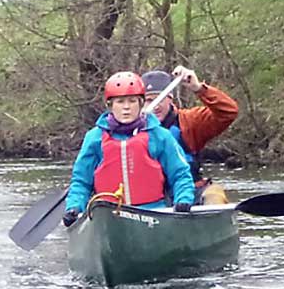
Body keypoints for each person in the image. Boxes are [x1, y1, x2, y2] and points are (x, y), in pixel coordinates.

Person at [63, 71, 194, 226]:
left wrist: (183, 199)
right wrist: (74, 206)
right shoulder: (95, 138)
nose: (126, 107)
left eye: (132, 101)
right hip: (108, 216)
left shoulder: (160, 136)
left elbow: (180, 174)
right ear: (110, 105)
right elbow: (81, 181)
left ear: (141, 103)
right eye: (120, 102)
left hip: (153, 214)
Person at [141, 66, 240, 205]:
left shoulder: (189, 121)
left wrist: (199, 88)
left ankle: (212, 219)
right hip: (153, 197)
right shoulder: (132, 129)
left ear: (170, 98)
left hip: (191, 190)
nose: (155, 106)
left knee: (214, 194)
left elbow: (228, 112)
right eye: (148, 100)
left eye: (160, 99)